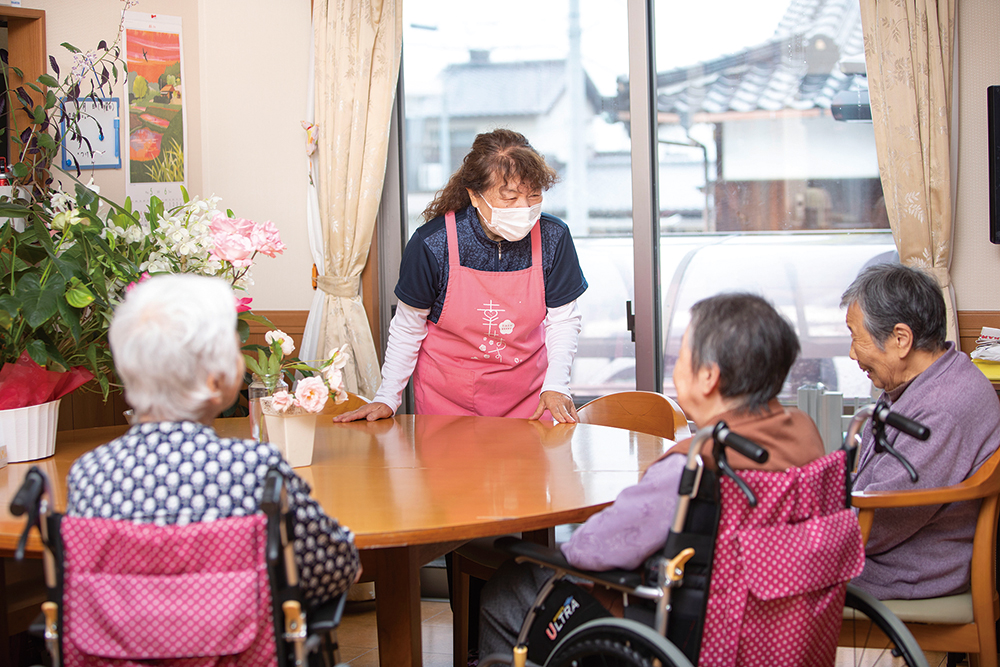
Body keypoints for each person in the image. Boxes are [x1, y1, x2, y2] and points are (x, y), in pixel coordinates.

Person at [478, 293, 826, 656]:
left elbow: (593, 549)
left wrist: (568, 550)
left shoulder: (696, 466)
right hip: (764, 626)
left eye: (683, 353)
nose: (675, 364)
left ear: (708, 376)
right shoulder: (805, 436)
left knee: (508, 587)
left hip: (669, 629)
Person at [65, 274, 361, 609]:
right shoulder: (256, 469)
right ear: (215, 380)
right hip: (242, 642)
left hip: (118, 644)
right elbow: (337, 569)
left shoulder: (88, 474)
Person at [335, 128, 588, 424]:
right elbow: (408, 327)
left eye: (533, 195)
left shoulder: (553, 237)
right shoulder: (433, 243)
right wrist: (387, 397)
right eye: (510, 198)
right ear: (475, 196)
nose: (524, 208)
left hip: (529, 399)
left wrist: (556, 385)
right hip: (447, 401)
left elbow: (563, 320)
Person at [841, 263, 1000, 600]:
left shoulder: (940, 408)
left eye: (856, 338)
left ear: (901, 339)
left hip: (904, 568)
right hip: (900, 550)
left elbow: (881, 521)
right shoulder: (940, 376)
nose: (852, 353)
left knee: (753, 565)